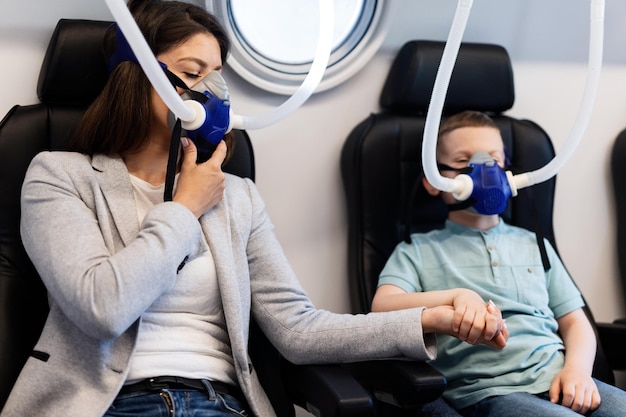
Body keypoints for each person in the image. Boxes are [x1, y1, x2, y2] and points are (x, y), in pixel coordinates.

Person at [0, 2, 508, 417]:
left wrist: (429, 318)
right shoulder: (59, 174)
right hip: (107, 404)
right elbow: (101, 308)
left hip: (220, 403)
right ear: (136, 78)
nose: (213, 91)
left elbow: (299, 330)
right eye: (191, 73)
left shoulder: (237, 195)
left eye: (217, 76)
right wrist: (184, 209)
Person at [371, 110, 626, 417]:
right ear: (434, 181)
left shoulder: (534, 244)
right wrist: (453, 299)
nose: (484, 170)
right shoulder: (418, 250)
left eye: (493, 159)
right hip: (489, 392)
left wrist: (578, 372)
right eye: (465, 162)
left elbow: (575, 321)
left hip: (562, 379)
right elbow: (383, 306)